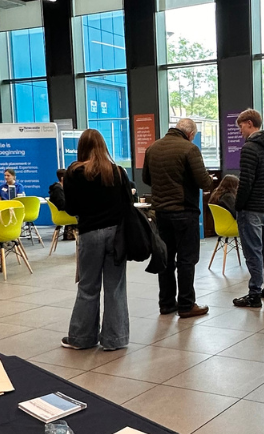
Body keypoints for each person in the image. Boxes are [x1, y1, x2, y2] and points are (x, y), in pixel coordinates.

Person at [60, 129, 133, 350]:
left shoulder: (73, 173)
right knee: (115, 287)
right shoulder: (118, 172)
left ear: (82, 147)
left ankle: (82, 339)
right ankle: (115, 339)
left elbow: (71, 208)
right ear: (103, 145)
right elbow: (127, 204)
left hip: (89, 234)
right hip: (116, 235)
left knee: (88, 287)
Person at [143, 118, 214, 319]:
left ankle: (166, 303)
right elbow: (203, 181)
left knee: (165, 258)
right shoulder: (189, 149)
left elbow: (147, 179)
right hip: (184, 212)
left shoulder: (153, 148)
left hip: (161, 213)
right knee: (186, 260)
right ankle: (186, 304)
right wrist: (211, 180)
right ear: (190, 134)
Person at [231, 109, 264, 308]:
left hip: (251, 207)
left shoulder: (250, 148)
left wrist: (238, 206)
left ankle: (254, 294)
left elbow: (246, 182)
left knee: (253, 252)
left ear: (250, 123)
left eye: (241, 127)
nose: (240, 131)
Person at [48, 167, 75, 241]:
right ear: (63, 178)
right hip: (62, 214)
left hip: (64, 213)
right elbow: (62, 205)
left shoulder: (62, 188)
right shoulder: (58, 189)